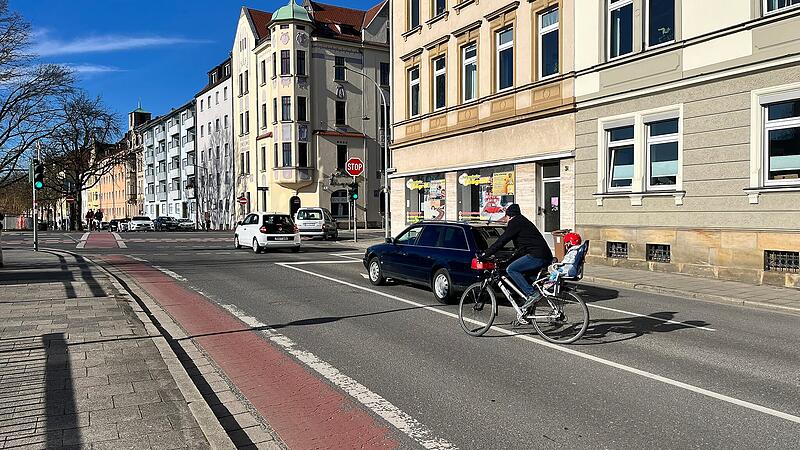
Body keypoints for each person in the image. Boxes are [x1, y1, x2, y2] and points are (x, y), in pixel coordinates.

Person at [479, 204, 553, 323]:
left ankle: (531, 294)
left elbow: (502, 240)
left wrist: (485, 254)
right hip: (544, 255)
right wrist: (509, 259)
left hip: (537, 255)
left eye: (506, 217)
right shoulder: (523, 221)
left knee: (512, 270)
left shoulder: (515, 223)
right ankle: (527, 312)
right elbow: (522, 248)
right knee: (527, 278)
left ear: (508, 216)